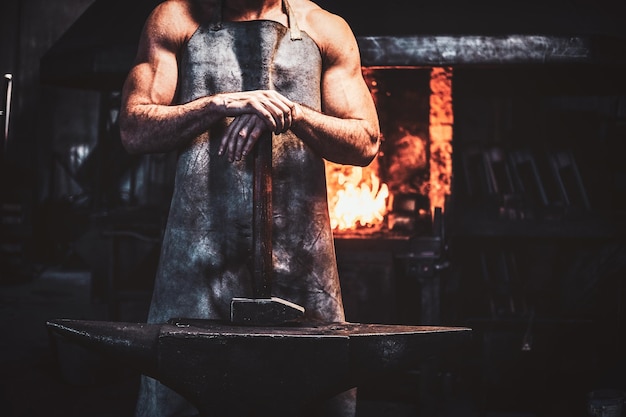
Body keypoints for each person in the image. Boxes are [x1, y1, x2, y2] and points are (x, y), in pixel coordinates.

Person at [119, 0, 380, 416]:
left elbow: (366, 140)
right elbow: (134, 128)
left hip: (302, 261)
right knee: (181, 392)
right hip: (197, 258)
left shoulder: (324, 28)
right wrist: (220, 103)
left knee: (311, 394)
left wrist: (290, 112)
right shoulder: (175, 19)